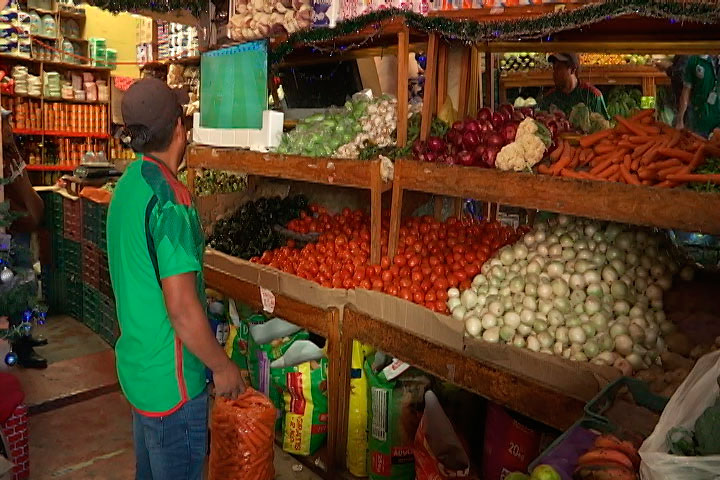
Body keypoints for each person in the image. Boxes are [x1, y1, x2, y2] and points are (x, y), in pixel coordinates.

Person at [107, 78, 245, 480]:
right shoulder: (171, 202)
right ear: (181, 128)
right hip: (173, 387)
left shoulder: (129, 185)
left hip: (138, 370)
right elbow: (183, 310)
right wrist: (222, 367)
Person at [2, 109, 47, 369]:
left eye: (8, 121)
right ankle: (21, 347)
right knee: (17, 288)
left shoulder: (11, 151)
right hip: (8, 234)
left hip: (20, 230)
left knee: (28, 284)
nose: (9, 127)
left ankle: (25, 336)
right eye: (4, 123)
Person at [538, 53, 610, 119]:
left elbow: (604, 126)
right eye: (554, 69)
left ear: (572, 70)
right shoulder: (549, 98)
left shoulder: (592, 96)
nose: (554, 73)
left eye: (559, 68)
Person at [676, 55, 720, 137]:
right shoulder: (694, 60)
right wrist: (680, 119)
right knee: (699, 145)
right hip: (699, 118)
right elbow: (686, 90)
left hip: (717, 115)